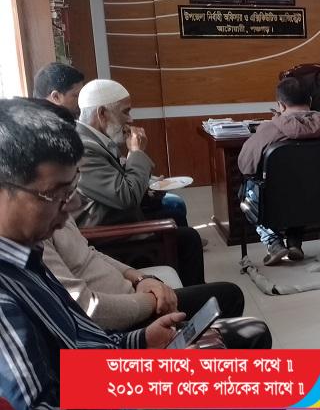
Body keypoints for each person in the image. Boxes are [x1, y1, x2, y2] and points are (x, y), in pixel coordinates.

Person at [0, 99, 187, 408]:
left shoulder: (27, 254)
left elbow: (79, 341)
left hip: (110, 377)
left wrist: (139, 342)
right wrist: (156, 386)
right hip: (116, 392)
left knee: (270, 381)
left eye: (73, 188)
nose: (73, 206)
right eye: (56, 193)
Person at [42, 215, 272, 349]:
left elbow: (89, 253)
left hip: (127, 312)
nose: (72, 204)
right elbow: (87, 312)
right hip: (109, 337)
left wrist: (140, 278)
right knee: (254, 333)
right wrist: (152, 301)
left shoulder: (47, 208)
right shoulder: (29, 243)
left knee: (228, 295)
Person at [74, 79, 206, 286]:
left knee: (174, 214)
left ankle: (186, 290)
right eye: (125, 112)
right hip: (110, 239)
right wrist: (136, 152)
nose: (130, 119)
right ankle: (191, 298)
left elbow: (118, 185)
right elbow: (124, 196)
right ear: (102, 113)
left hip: (119, 220)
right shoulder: (83, 149)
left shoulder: (95, 139)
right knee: (189, 238)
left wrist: (147, 190)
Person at [238, 77, 320, 264]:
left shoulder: (268, 131)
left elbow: (244, 165)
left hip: (277, 199)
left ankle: (274, 242)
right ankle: (295, 241)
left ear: (280, 105)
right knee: (303, 186)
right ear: (310, 101)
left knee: (245, 191)